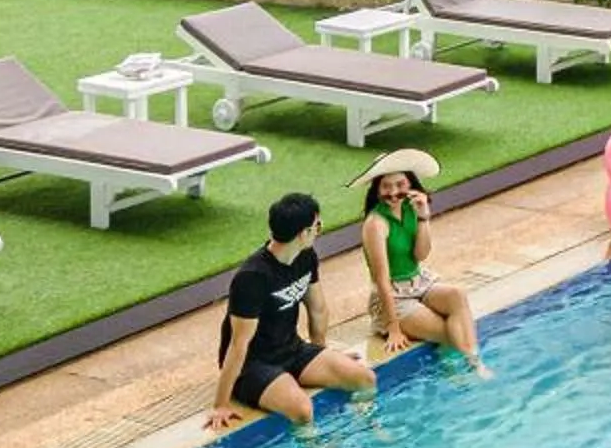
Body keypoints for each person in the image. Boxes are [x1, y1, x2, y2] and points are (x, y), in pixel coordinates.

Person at [206, 192, 376, 431]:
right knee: (302, 410)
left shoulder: (306, 256)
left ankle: (366, 430)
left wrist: (321, 352)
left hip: (292, 350)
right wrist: (220, 404)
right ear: (303, 233)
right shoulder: (252, 277)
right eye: (318, 225)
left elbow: (318, 309)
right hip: (253, 365)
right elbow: (237, 344)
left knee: (365, 378)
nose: (319, 230)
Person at [358, 149, 488, 376]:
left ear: (410, 184)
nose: (393, 193)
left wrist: (423, 216)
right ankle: (467, 367)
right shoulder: (375, 224)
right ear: (377, 189)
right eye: (386, 186)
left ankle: (474, 363)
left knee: (457, 295)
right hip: (393, 296)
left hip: (419, 282)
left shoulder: (411, 207)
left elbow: (421, 255)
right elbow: (381, 278)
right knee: (448, 331)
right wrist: (393, 327)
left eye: (400, 185)